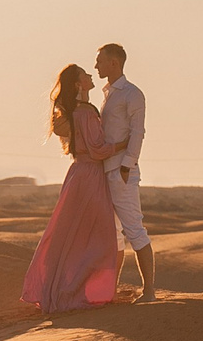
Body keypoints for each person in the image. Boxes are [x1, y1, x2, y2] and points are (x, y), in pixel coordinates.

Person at [20, 64, 123, 314]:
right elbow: (98, 149)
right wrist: (125, 143)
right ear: (78, 84)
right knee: (98, 235)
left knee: (70, 234)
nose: (90, 76)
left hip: (77, 175)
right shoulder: (86, 112)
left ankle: (60, 288)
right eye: (85, 75)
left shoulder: (74, 112)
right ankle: (85, 290)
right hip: (91, 176)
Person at [95, 42, 155, 301]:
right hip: (106, 171)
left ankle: (149, 291)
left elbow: (138, 132)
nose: (96, 65)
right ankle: (110, 289)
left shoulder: (132, 94)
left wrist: (126, 166)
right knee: (113, 233)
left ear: (114, 63)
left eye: (100, 60)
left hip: (121, 171)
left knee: (134, 230)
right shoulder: (109, 94)